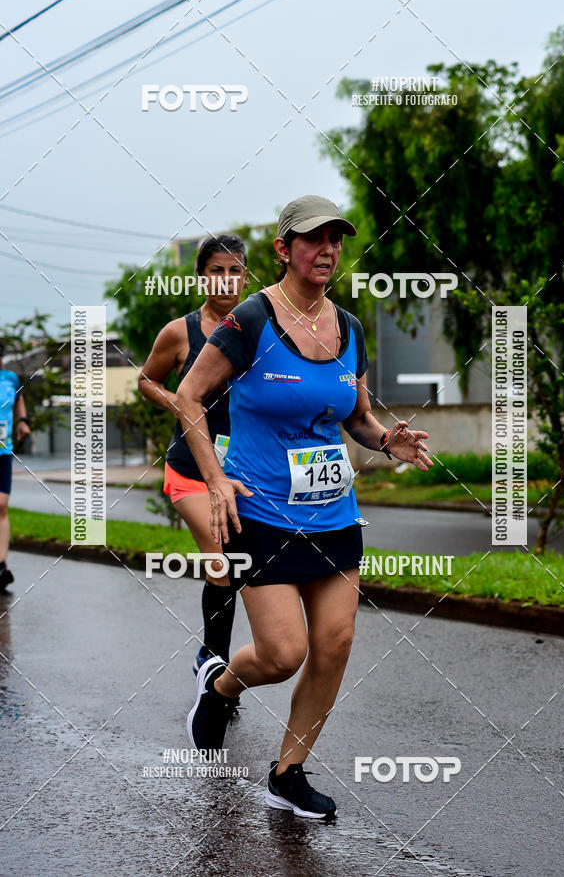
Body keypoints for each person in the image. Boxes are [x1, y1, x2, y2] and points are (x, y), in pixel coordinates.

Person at [177, 195, 433, 819]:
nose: (327, 251)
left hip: (334, 515)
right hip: (260, 514)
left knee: (335, 644)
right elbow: (188, 397)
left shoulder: (349, 328)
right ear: (283, 249)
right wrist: (212, 480)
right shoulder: (251, 320)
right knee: (282, 652)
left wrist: (386, 441)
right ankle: (221, 686)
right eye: (313, 239)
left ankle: (287, 773)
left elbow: (360, 418)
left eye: (335, 240)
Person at [138, 234, 246, 676]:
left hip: (243, 468)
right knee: (220, 554)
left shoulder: (260, 326)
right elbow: (147, 380)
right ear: (202, 276)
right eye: (216, 271)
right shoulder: (180, 332)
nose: (225, 280)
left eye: (234, 270)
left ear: (245, 277)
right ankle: (215, 666)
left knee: (238, 564)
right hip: (189, 470)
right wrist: (179, 403)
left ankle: (212, 652)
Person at [0, 342, 31, 590]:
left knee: (1, 506)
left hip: (3, 451)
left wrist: (23, 421)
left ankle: (1, 565)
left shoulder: (10, 378)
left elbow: (19, 399)